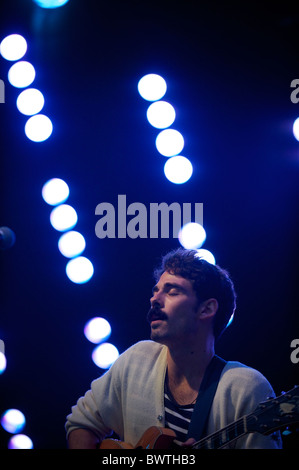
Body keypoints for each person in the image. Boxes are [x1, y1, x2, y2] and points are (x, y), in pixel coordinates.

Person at [65, 248, 282, 449]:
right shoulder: (136, 360)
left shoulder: (246, 389)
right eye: (156, 290)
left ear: (207, 309)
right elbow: (81, 424)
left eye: (172, 291)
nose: (154, 299)